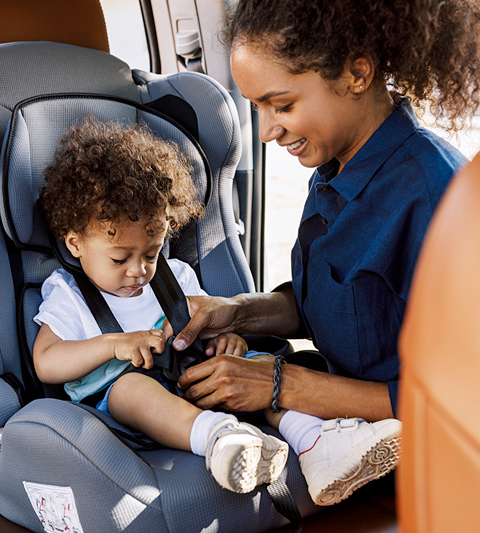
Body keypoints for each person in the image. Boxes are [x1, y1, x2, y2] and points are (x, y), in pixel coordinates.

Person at [167, 0, 480, 506]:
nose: (266, 131)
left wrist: (281, 385)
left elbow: (475, 402)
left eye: (282, 106)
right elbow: (338, 307)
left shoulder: (435, 195)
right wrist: (235, 313)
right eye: (257, 108)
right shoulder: (334, 170)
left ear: (356, 74)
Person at [32, 118, 289, 495]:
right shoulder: (70, 295)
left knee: (258, 367)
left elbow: (203, 326)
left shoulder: (176, 277)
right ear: (75, 244)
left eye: (151, 254)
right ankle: (220, 440)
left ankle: (313, 437)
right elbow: (46, 362)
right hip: (120, 403)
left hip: (190, 377)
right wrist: (113, 345)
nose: (139, 270)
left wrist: (226, 341)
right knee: (131, 389)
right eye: (120, 259)